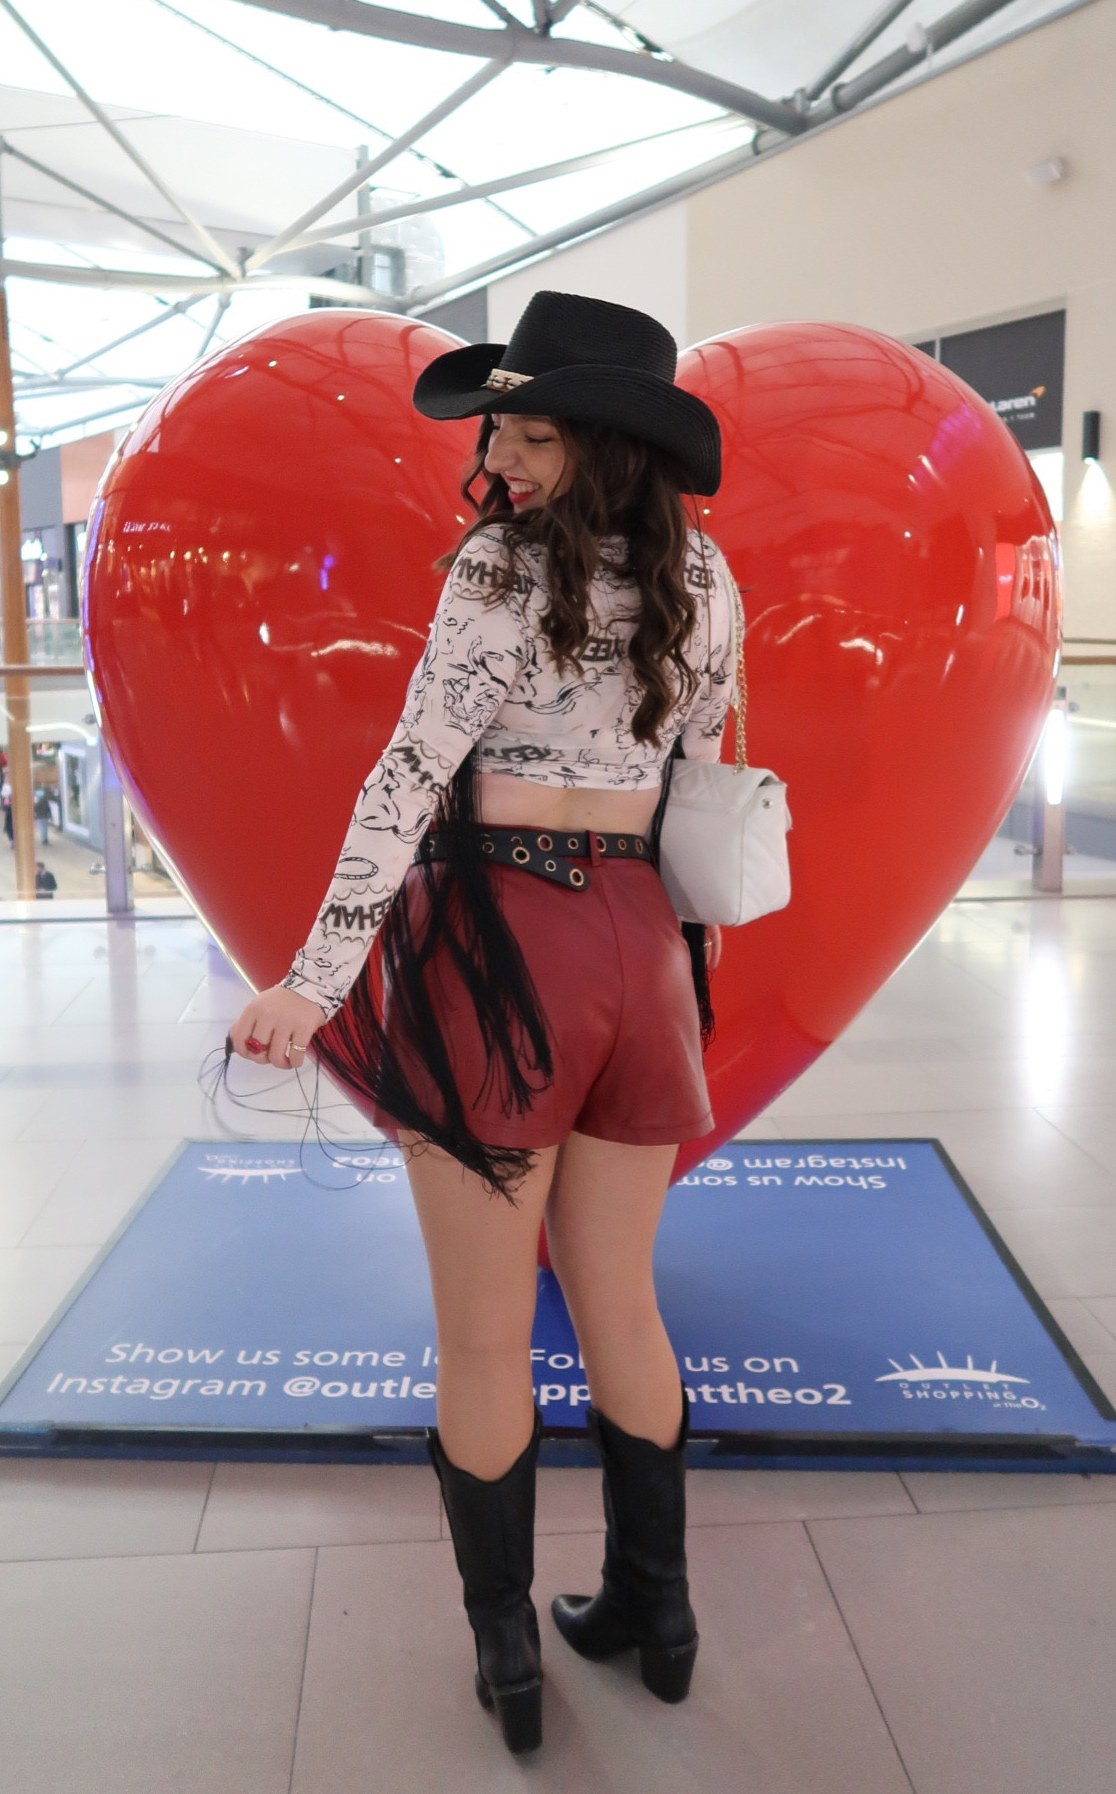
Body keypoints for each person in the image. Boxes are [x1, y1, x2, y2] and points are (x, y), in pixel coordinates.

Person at [230, 293, 736, 1755]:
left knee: (481, 1338)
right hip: (639, 950)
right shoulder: (715, 581)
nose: (497, 453)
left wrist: (311, 983)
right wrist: (679, 970)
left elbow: (404, 780)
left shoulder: (500, 576)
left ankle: (510, 1657)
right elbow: (707, 787)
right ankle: (660, 1614)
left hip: (499, 947)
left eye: (523, 427)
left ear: (596, 439)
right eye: (495, 426)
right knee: (621, 1303)